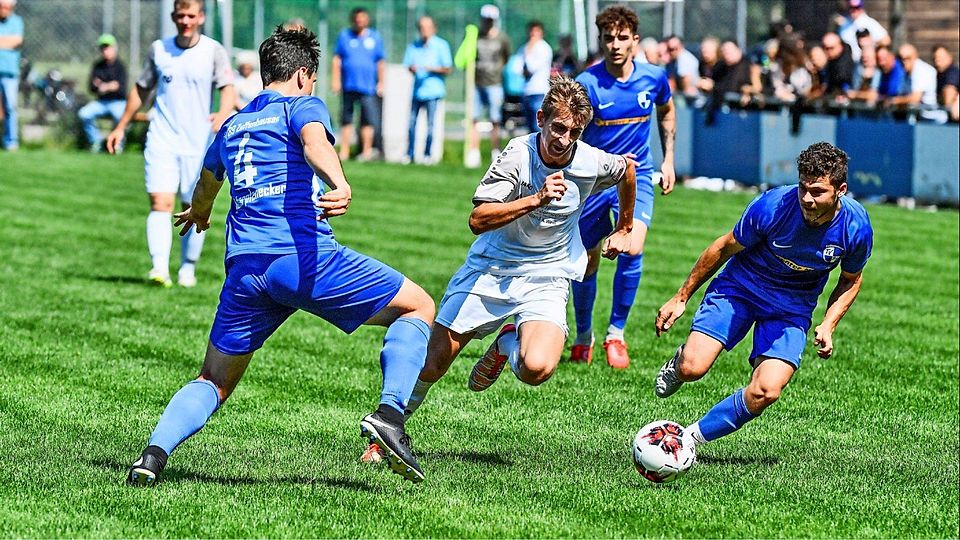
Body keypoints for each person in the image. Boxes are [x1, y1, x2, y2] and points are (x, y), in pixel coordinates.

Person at [126, 26, 436, 487]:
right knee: (418, 306)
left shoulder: (233, 123)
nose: (313, 88)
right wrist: (341, 183)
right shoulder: (302, 105)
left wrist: (201, 212)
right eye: (311, 80)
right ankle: (390, 415)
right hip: (301, 257)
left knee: (213, 378)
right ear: (303, 74)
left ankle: (152, 456)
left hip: (245, 271)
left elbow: (208, 181)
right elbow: (315, 142)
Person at [393, 76, 636, 458]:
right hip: (492, 268)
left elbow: (627, 170)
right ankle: (388, 432)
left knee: (537, 368)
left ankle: (508, 342)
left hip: (548, 274)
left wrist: (624, 227)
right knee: (433, 362)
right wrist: (536, 199)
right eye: (557, 127)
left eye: (574, 131)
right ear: (540, 118)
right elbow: (478, 219)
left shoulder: (590, 159)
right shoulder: (517, 155)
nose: (564, 138)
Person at [654, 142, 872, 452]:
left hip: (791, 309)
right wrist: (681, 297)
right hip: (740, 288)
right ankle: (680, 362)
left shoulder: (856, 227)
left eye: (818, 192)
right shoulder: (773, 206)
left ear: (841, 190)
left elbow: (851, 279)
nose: (807, 200)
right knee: (693, 368)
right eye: (803, 188)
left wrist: (828, 323)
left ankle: (688, 440)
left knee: (766, 390)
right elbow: (723, 247)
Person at [570, 5, 676, 368]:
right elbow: (573, 133)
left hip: (639, 176)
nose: (614, 44)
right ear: (600, 40)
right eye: (607, 38)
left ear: (634, 40)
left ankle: (616, 334)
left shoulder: (654, 77)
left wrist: (669, 159)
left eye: (621, 38)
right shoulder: (586, 84)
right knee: (586, 262)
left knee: (632, 248)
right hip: (595, 182)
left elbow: (666, 109)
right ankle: (584, 335)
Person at [106, 0, 236, 288]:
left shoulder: (213, 51)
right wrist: (121, 126)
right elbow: (141, 90)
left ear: (201, 17)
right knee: (160, 202)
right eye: (181, 16)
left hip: (198, 142)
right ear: (173, 17)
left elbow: (227, 88)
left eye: (191, 15)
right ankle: (159, 269)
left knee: (193, 206)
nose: (186, 21)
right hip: (162, 138)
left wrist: (223, 115)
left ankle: (187, 268)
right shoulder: (159, 49)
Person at [332, 7, 385, 162]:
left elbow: (380, 61)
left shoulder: (375, 37)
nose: (359, 21)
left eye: (362, 18)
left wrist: (381, 82)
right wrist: (335, 80)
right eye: (357, 18)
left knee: (367, 119)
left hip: (368, 86)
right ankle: (345, 151)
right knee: (346, 118)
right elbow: (337, 59)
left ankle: (366, 151)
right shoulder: (344, 36)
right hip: (348, 85)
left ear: (367, 19)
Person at [402, 15, 452, 164]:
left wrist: (431, 69)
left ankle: (427, 154)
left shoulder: (441, 45)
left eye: (427, 28)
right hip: (417, 91)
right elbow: (408, 64)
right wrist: (413, 69)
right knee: (411, 124)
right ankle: (410, 154)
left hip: (433, 91)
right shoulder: (414, 46)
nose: (424, 31)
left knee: (430, 126)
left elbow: (447, 68)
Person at [466, 4, 511, 167]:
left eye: (490, 20)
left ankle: (496, 151)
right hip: (477, 83)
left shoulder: (502, 38)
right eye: (485, 19)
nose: (487, 23)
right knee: (474, 119)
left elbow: (506, 57)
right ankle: (473, 152)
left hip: (494, 83)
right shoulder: (475, 36)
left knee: (495, 119)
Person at [77, 34, 128, 152]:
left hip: (117, 101)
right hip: (102, 102)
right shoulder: (98, 66)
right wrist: (109, 86)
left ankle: (117, 143)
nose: (105, 51)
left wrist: (104, 86)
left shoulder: (120, 66)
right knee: (84, 114)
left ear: (114, 48)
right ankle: (96, 141)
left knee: (120, 116)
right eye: (103, 48)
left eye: (108, 47)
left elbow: (121, 88)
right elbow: (92, 87)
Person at [889, 43, 942, 122]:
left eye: (907, 58)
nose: (904, 61)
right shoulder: (903, 72)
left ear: (915, 56)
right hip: (914, 117)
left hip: (930, 118)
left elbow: (915, 99)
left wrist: (893, 101)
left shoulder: (923, 71)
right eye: (900, 58)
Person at [521, 20, 553, 133]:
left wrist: (528, 50)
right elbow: (518, 69)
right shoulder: (525, 48)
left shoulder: (543, 48)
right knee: (530, 129)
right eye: (531, 31)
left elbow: (530, 68)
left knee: (538, 128)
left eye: (536, 31)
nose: (533, 34)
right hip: (527, 91)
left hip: (539, 92)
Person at [0, 0, 23, 151]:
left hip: (10, 74)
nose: (4, 9)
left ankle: (11, 142)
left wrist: (8, 42)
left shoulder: (17, 22)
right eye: (2, 6)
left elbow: (17, 41)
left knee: (10, 107)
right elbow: (10, 42)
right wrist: (7, 42)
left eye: (7, 7)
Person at [665, 35, 699, 100]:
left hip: (693, 101)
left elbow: (686, 86)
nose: (673, 52)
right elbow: (671, 83)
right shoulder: (672, 61)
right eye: (670, 49)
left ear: (681, 46)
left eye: (675, 48)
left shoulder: (685, 59)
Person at [932, 45, 959, 121]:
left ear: (949, 57)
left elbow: (949, 90)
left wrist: (948, 111)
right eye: (935, 58)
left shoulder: (952, 72)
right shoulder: (938, 73)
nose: (937, 61)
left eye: (940, 58)